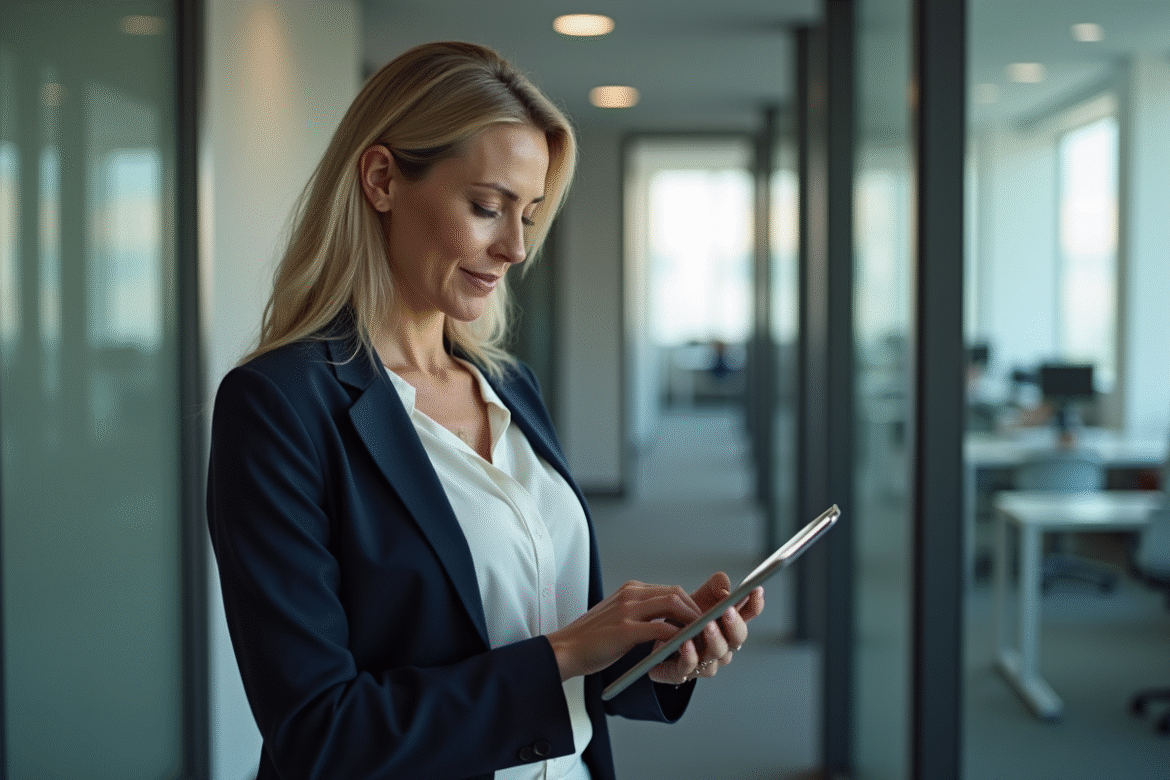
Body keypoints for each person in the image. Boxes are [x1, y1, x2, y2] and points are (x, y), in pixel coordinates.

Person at [206, 41, 764, 780]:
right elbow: (321, 732)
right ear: (381, 180)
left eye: (528, 214)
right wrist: (567, 651)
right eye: (486, 207)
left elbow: (523, 639)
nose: (515, 248)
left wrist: (648, 656)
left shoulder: (509, 386)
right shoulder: (279, 406)